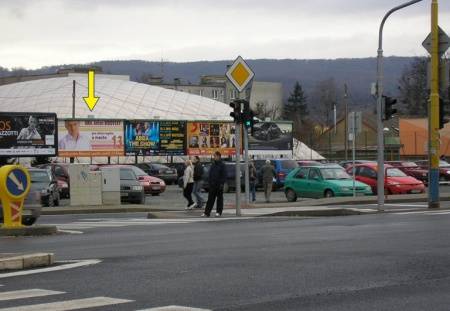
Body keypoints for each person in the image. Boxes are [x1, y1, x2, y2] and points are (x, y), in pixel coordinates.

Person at [203, 151, 227, 217]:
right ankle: (207, 213)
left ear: (219, 156)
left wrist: (222, 184)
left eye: (215, 156)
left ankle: (219, 212)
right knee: (210, 199)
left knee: (219, 199)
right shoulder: (213, 165)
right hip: (212, 185)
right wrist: (209, 182)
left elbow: (224, 175)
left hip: (219, 185)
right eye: (214, 156)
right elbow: (210, 174)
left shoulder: (222, 165)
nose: (214, 157)